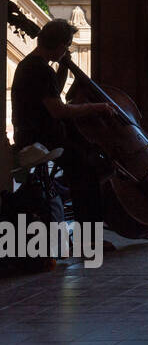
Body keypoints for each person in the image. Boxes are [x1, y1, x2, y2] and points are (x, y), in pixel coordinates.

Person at [11, 20, 118, 227]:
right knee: (87, 172)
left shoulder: (34, 66)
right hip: (40, 138)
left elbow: (52, 95)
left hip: (37, 134)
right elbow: (59, 110)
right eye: (67, 45)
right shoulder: (39, 70)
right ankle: (89, 240)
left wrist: (62, 68)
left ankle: (63, 192)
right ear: (59, 44)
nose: (67, 49)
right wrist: (98, 107)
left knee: (84, 166)